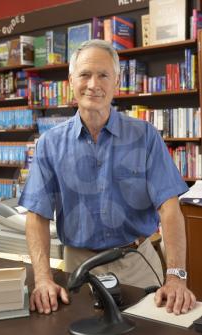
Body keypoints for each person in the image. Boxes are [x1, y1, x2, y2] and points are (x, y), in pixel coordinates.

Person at [19, 39, 196, 316]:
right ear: (70, 81)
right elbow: (37, 215)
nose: (93, 84)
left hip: (137, 261)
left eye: (103, 75)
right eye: (85, 74)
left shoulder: (145, 136)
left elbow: (169, 208)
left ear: (116, 80)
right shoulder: (49, 144)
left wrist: (176, 277)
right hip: (79, 266)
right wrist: (43, 279)